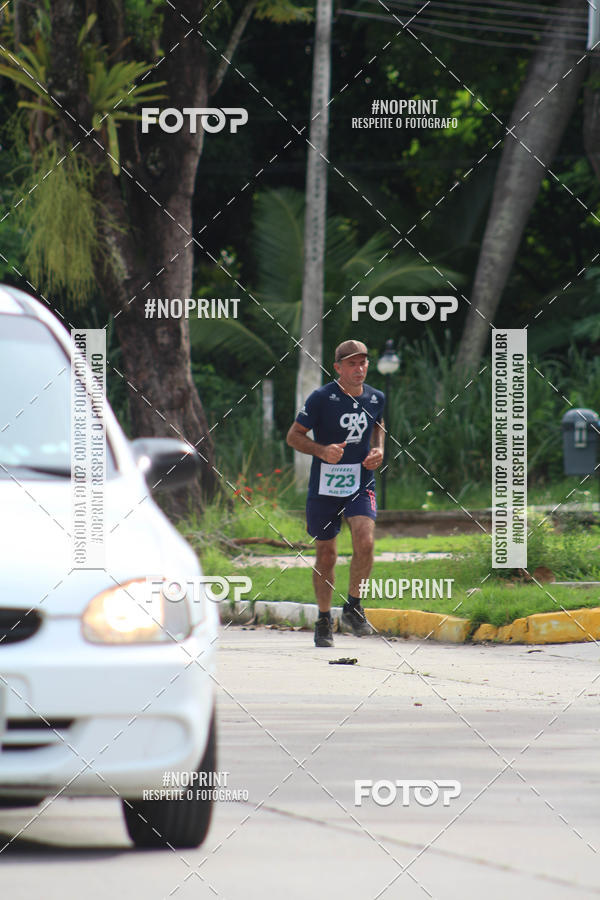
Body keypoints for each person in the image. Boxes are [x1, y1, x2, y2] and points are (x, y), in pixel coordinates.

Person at [286, 340, 385, 647]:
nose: (360, 369)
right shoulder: (321, 398)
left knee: (365, 541)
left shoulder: (376, 397)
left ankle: (353, 605)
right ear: (338, 367)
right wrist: (321, 450)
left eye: (363, 362)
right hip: (325, 487)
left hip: (360, 482)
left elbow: (379, 425)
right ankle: (324, 618)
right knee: (326, 554)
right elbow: (293, 437)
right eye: (352, 364)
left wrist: (379, 449)